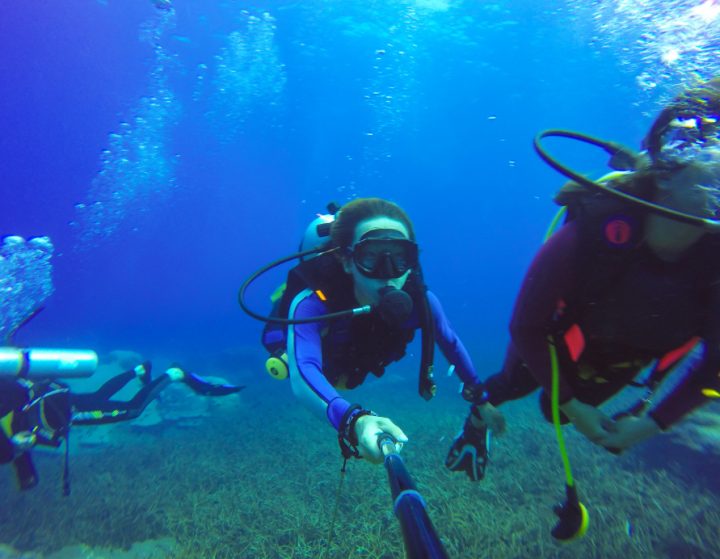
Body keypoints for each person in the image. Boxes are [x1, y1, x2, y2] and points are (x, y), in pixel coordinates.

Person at [447, 77, 720, 480]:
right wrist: (575, 406)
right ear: (667, 169)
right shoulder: (596, 232)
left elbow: (714, 366)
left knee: (554, 414)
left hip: (626, 355)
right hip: (558, 339)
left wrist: (650, 424)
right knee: (513, 383)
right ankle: (475, 424)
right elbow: (527, 326)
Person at [260, 197, 505, 468]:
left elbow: (450, 342)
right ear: (346, 260)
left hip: (355, 365)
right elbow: (303, 369)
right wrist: (354, 421)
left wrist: (482, 400)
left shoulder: (423, 303)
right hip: (331, 363)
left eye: (400, 257)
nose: (388, 274)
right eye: (370, 256)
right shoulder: (312, 303)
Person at [1, 361, 244, 491]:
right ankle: (138, 370)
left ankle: (173, 373)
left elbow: (11, 452)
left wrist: (21, 453)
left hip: (58, 412)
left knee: (132, 410)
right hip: (53, 398)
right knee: (97, 397)